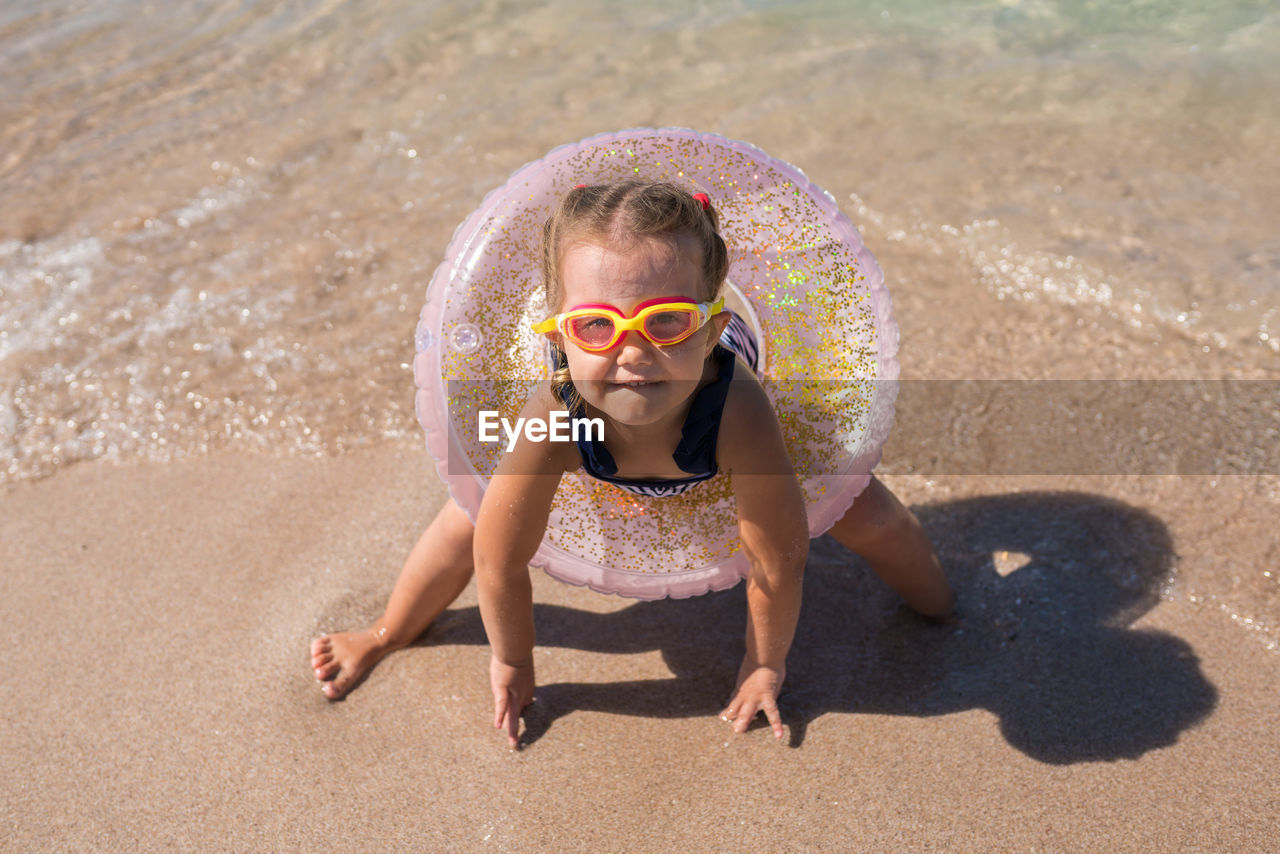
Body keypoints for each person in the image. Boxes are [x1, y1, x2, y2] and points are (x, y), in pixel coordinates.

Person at [310, 181, 953, 745]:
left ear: (707, 331)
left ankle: (947, 609)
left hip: (723, 433)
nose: (633, 350)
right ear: (561, 333)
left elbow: (775, 561)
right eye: (596, 326)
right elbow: (499, 560)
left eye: (666, 322)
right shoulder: (555, 415)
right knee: (468, 519)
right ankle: (385, 632)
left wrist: (764, 664)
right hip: (602, 441)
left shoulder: (740, 411)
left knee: (865, 514)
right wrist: (513, 660)